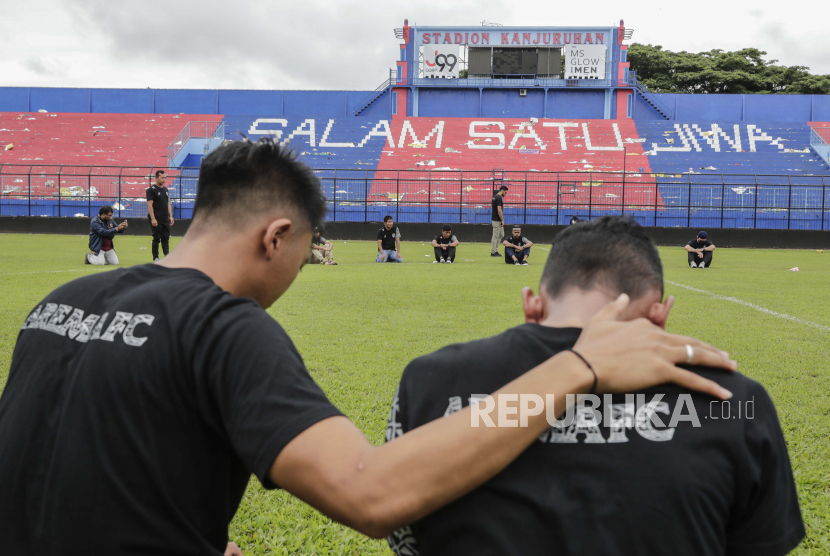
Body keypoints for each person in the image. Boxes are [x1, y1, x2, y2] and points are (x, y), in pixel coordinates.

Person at [0, 140, 736, 556]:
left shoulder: (61, 302)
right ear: (277, 236)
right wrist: (579, 364)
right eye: (307, 250)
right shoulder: (224, 327)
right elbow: (372, 493)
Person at [386, 216, 803, 556]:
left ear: (533, 303)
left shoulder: (430, 379)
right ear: (660, 315)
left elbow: (403, 533)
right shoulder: (736, 399)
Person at [146, 170, 174, 262]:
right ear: (156, 178)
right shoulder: (151, 190)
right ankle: (156, 258)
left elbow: (168, 203)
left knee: (165, 238)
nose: (164, 179)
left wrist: (171, 216)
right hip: (156, 218)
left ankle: (167, 257)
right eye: (162, 177)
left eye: (165, 178)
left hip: (165, 218)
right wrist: (153, 219)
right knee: (156, 238)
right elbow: (150, 205)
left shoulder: (166, 190)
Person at [490, 185, 508, 257]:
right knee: (495, 236)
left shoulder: (495, 197)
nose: (505, 194)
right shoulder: (499, 198)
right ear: (502, 191)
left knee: (501, 235)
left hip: (496, 219)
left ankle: (495, 250)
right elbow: (499, 210)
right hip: (497, 220)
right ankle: (493, 252)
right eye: (505, 192)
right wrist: (502, 220)